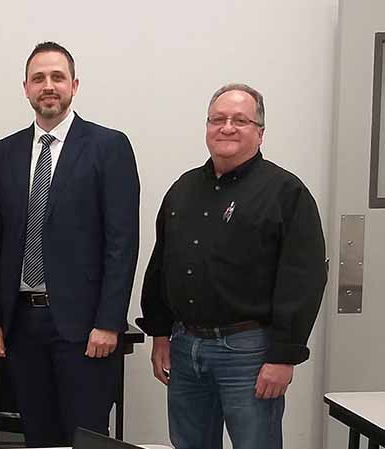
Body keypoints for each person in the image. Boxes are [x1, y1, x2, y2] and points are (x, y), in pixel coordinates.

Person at [137, 83, 327, 449]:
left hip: (248, 352)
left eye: (240, 120)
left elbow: (303, 280)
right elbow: (162, 264)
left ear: (260, 132)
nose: (227, 127)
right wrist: (160, 334)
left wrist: (284, 357)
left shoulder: (286, 192)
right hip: (185, 346)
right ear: (207, 127)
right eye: (218, 119)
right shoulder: (183, 188)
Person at [0, 41, 140, 446]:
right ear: (26, 88)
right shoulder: (5, 152)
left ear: (74, 85)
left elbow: (122, 243)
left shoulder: (108, 146)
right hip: (22, 326)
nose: (48, 86)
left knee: (85, 436)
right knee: (37, 436)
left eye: (57, 77)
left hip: (84, 328)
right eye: (38, 78)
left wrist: (109, 322)